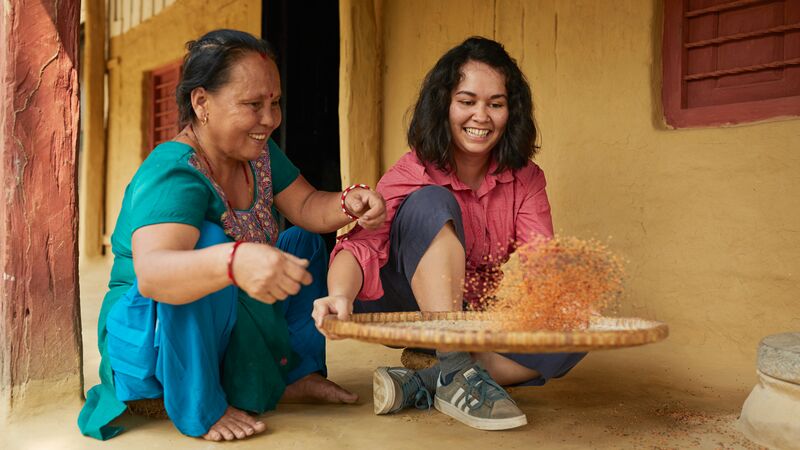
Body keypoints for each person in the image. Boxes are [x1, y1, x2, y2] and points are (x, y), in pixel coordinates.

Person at [77, 29, 386, 442]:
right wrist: (234, 260)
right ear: (201, 102)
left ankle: (293, 374)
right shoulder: (174, 171)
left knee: (303, 246)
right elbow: (153, 275)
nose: (270, 119)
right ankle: (200, 405)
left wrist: (353, 202)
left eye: (274, 103)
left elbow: (309, 207)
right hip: (153, 339)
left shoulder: (256, 152)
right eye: (253, 105)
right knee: (208, 244)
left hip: (222, 321)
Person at [312, 36, 585, 431]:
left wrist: (559, 297)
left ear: (512, 111)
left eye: (496, 104)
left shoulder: (527, 179)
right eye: (467, 101)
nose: (482, 116)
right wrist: (339, 295)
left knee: (571, 328)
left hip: (469, 310)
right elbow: (361, 246)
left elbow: (539, 260)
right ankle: (456, 369)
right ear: (444, 105)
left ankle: (427, 380)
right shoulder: (414, 170)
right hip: (398, 303)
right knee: (432, 202)